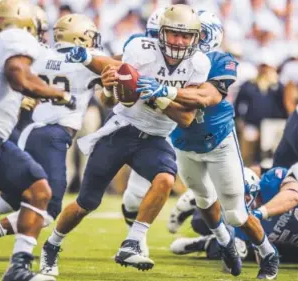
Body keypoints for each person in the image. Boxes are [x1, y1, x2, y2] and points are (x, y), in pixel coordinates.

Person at [39, 4, 210, 276]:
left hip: (155, 136)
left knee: (165, 178)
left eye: (185, 35)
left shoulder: (199, 63)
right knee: (87, 203)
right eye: (173, 34)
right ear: (160, 33)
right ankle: (51, 245)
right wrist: (111, 82)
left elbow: (186, 119)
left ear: (196, 38)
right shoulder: (141, 49)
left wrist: (160, 94)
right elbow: (123, 96)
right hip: (122, 129)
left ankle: (133, 240)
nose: (179, 41)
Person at [116, 9, 280, 279]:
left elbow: (207, 96)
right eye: (178, 33)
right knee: (204, 199)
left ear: (208, 36)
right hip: (182, 141)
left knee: (237, 214)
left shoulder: (217, 60)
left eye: (192, 34)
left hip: (218, 141)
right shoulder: (161, 57)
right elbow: (123, 65)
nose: (182, 40)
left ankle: (268, 253)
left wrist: (164, 90)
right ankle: (225, 241)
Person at [0, 13, 103, 264]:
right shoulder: (81, 61)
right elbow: (117, 67)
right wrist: (57, 93)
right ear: (79, 38)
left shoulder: (31, 53)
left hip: (25, 130)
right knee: (49, 205)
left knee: (22, 193)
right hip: (47, 134)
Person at [170, 165, 298, 264]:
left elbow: (292, 196)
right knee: (233, 245)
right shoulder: (238, 218)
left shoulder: (274, 181)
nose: (243, 201)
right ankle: (198, 200)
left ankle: (205, 243)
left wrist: (258, 214)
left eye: (243, 197)